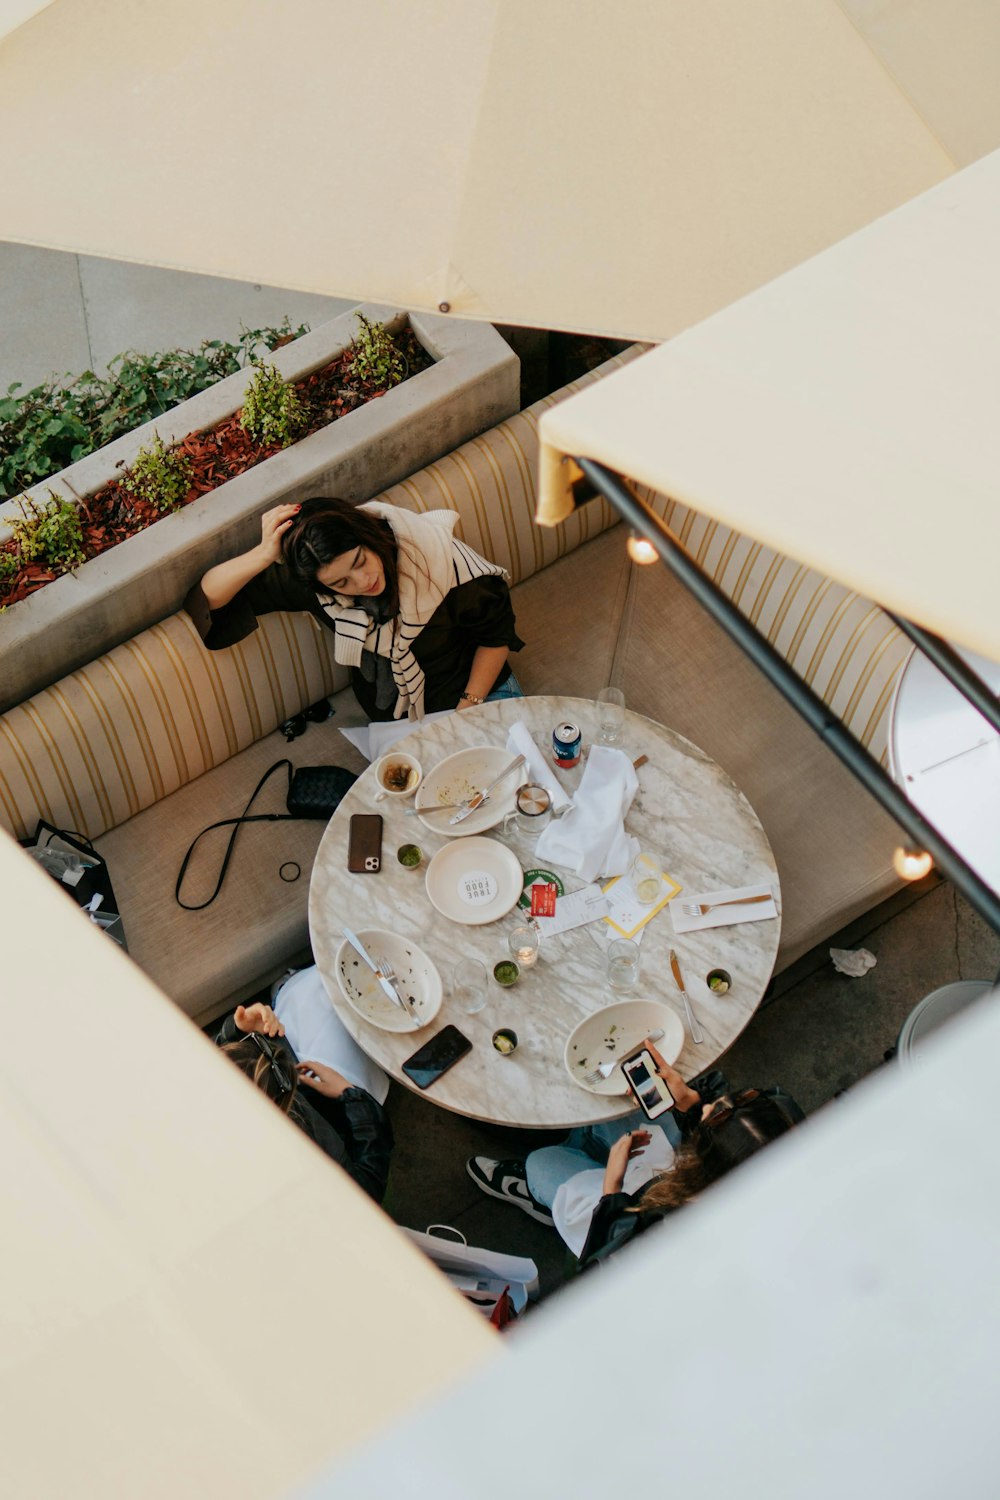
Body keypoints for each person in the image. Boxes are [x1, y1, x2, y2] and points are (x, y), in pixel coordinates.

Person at [467, 1040, 802, 1268]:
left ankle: (544, 1195)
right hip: (664, 1173)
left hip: (624, 1211)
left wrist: (612, 1188)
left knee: (540, 1162)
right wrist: (689, 1102)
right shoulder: (778, 1156)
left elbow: (610, 1260)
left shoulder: (677, 1236)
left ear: (707, 1166)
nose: (714, 1103)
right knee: (629, 1102)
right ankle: (580, 1147)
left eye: (711, 1118)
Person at [189, 497, 524, 721]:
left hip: (478, 693)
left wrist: (466, 711)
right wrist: (263, 554)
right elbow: (210, 597)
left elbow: (495, 638)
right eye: (341, 584)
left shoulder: (439, 561)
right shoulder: (317, 584)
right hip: (399, 722)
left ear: (367, 535)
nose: (362, 582)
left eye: (360, 561)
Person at [214, 972, 393, 1201]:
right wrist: (351, 1096)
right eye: (282, 1080)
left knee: (319, 986)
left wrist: (238, 1032)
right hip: (339, 1112)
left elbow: (225, 1056)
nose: (276, 1053)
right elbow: (367, 1188)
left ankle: (287, 988)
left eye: (262, 1045)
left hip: (309, 1084)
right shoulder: (308, 1164)